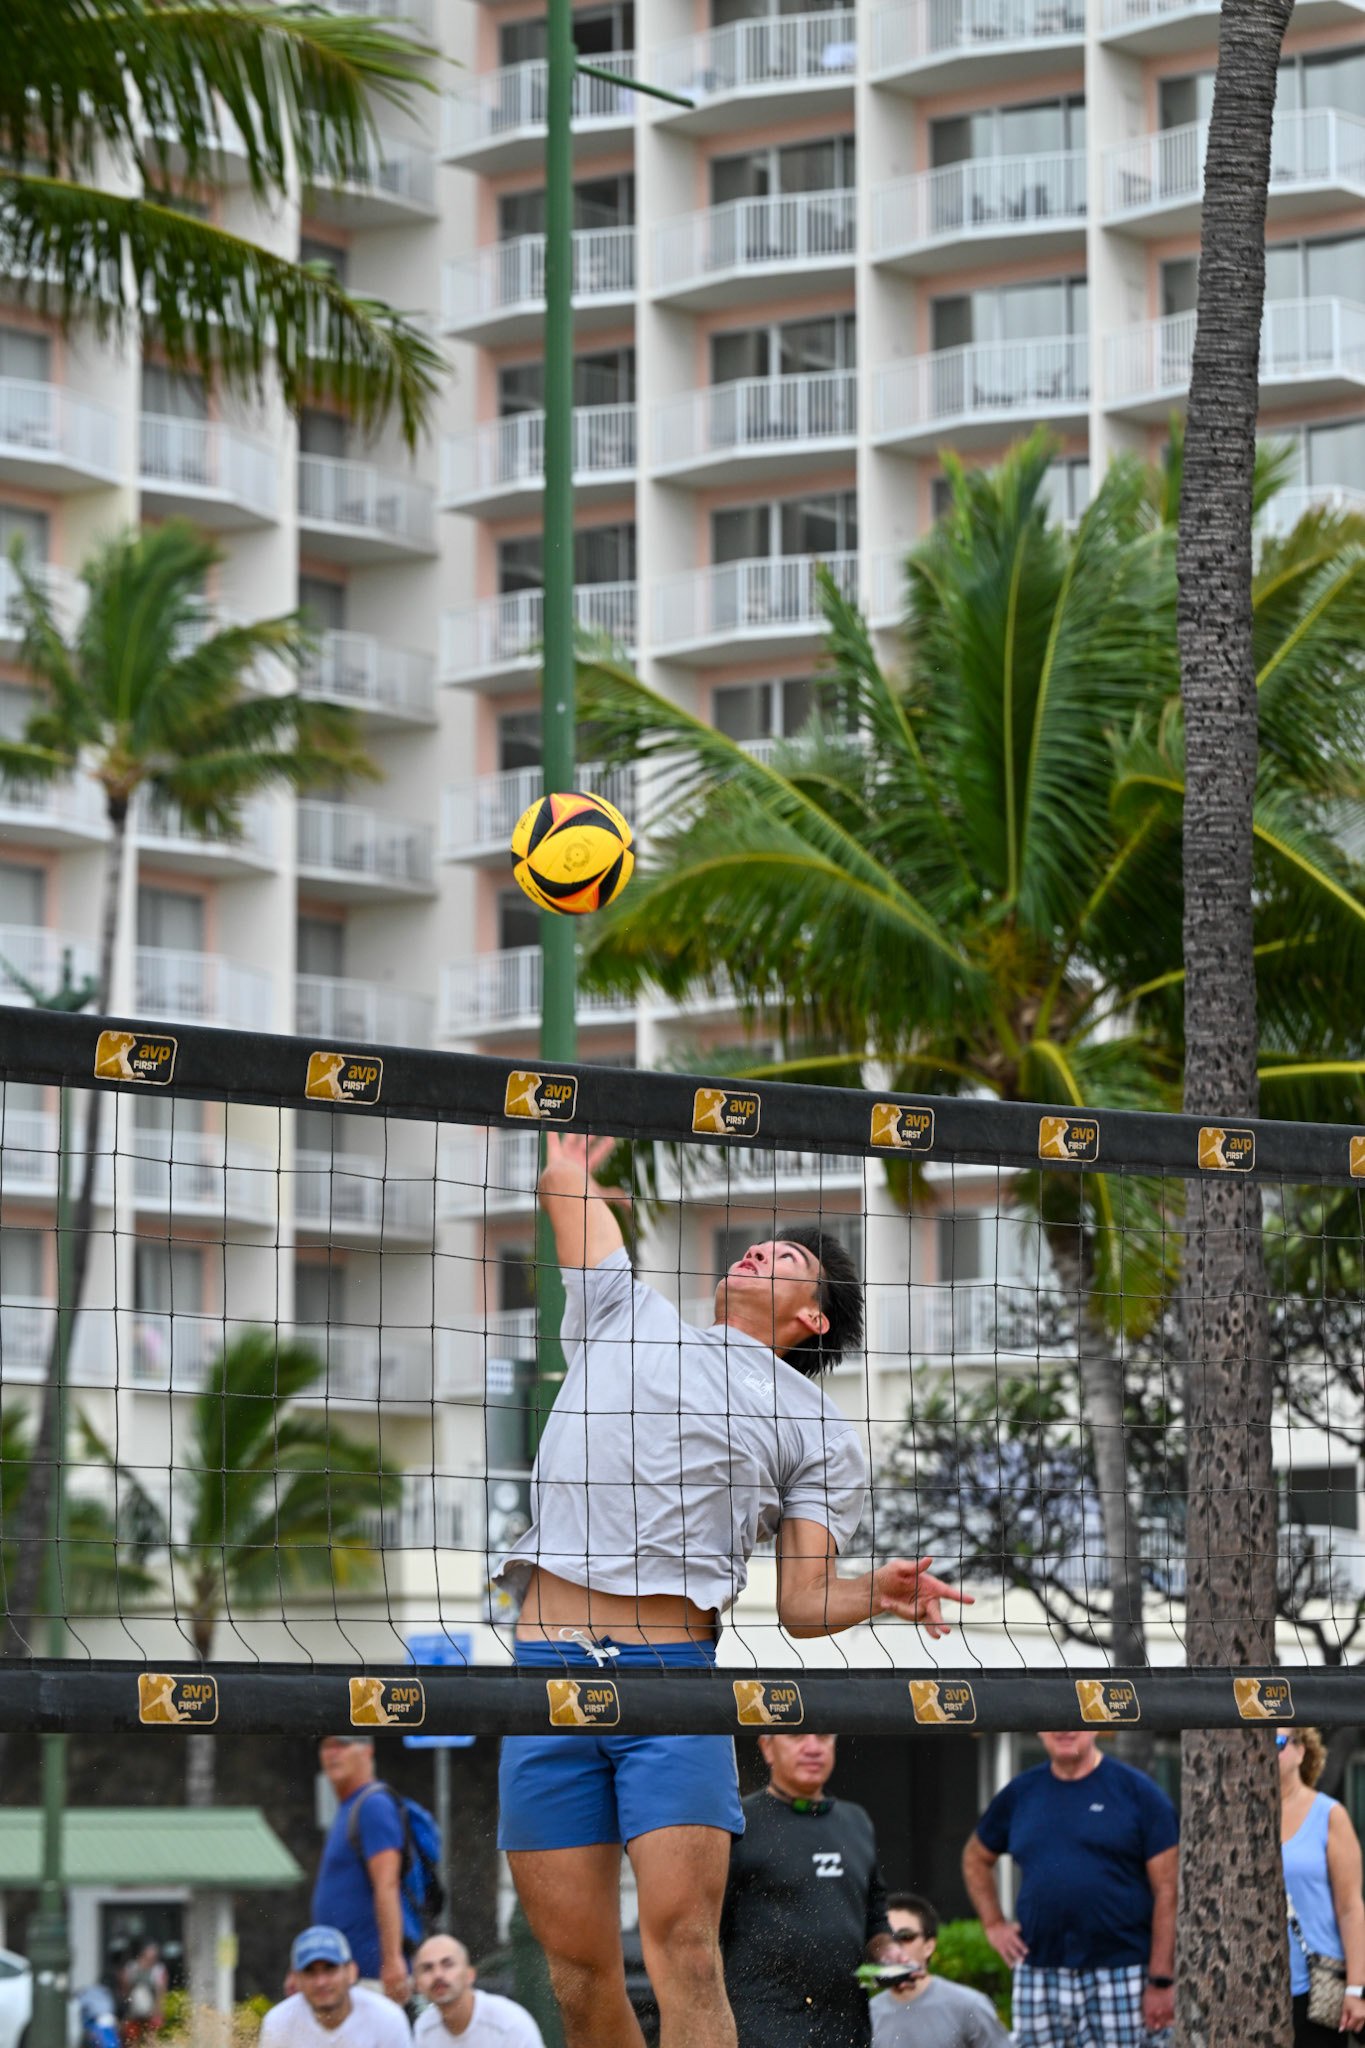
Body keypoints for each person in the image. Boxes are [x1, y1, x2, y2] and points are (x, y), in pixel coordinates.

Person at [495, 1130, 970, 2048]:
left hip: (671, 1679)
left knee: (685, 1952)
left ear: (814, 1319)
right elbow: (564, 1194)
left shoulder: (817, 1429)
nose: (755, 1250)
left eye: (785, 1258)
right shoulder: (623, 1314)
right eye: (755, 1244)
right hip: (543, 1671)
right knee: (579, 1977)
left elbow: (801, 1605)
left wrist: (877, 1591)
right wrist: (571, 1166)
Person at [962, 1729, 1179, 2048]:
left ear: (1093, 1725)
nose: (1064, 1730)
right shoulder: (1021, 1793)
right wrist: (994, 1924)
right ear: (1039, 1729)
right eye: (1054, 1720)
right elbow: (975, 1858)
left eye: (1074, 1719)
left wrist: (1161, 1980)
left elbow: (1169, 1890)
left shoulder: (1138, 1792)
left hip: (1123, 1973)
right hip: (1039, 1971)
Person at [720, 1730, 909, 2047]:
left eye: (823, 1737)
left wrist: (889, 1952)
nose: (812, 1748)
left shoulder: (856, 1821)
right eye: (796, 1736)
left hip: (846, 2025)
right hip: (763, 2024)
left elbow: (874, 1915)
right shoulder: (739, 1823)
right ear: (767, 1748)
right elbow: (711, 1928)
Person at [1278, 1725, 1365, 2043]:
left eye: (1278, 1742)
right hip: (1251, 1989)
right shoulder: (1236, 1817)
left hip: (1316, 1988)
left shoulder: (1329, 1815)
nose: (1269, 1752)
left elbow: (1351, 1908)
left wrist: (1357, 1988)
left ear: (1302, 1750)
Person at [313, 1735, 414, 2002]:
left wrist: (392, 1961)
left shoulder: (373, 1804)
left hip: (373, 1979)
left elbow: (387, 1883)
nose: (332, 1753)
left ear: (367, 1750)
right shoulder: (349, 1807)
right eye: (326, 1746)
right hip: (346, 1978)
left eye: (342, 1745)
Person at [869, 1894, 1012, 2047]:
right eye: (887, 1940)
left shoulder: (968, 2005)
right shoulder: (868, 2013)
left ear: (928, 1947)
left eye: (905, 1936)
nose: (895, 1948)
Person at [259, 1928, 413, 2048]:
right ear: (296, 1979)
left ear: (351, 1972)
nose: (321, 1982)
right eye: (309, 1972)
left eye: (330, 1968)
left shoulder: (387, 2017)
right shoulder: (278, 2022)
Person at [412, 1933, 545, 2046]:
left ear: (470, 1975)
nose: (438, 1974)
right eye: (427, 1968)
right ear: (417, 1985)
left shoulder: (509, 2024)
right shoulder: (424, 2028)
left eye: (447, 1964)